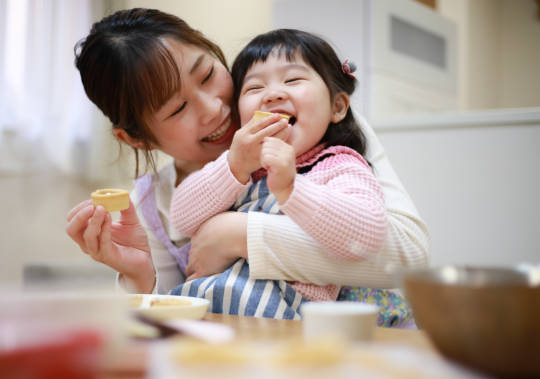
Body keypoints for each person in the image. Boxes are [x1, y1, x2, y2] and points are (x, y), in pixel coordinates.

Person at [65, 9, 429, 322]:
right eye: (177, 109)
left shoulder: (321, 131)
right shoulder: (151, 206)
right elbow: (180, 318)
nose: (213, 108)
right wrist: (139, 275)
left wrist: (236, 235)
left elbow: (407, 256)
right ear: (137, 139)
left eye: (207, 74)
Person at [169, 28, 414, 325]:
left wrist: (291, 189)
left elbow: (368, 233)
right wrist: (233, 166)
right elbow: (180, 217)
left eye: (293, 80)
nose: (273, 94)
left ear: (337, 107)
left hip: (282, 320)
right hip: (208, 315)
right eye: (254, 88)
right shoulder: (239, 166)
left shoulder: (338, 165)